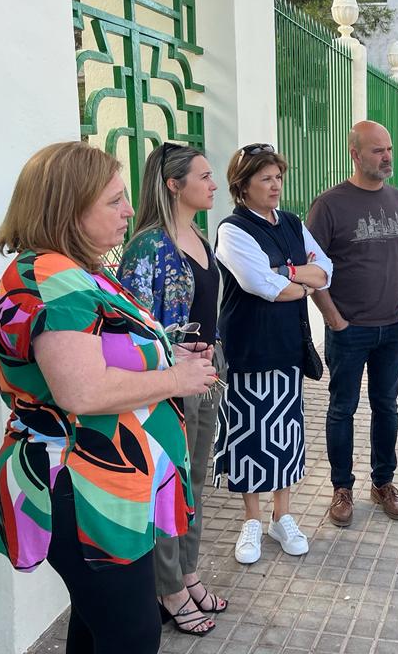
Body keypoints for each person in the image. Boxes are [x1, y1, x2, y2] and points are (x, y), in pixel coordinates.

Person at [0, 142, 217, 654]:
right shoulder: (53, 278)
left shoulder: (73, 269)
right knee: (131, 635)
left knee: (96, 628)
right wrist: (175, 379)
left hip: (105, 485)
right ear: (68, 208)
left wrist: (166, 354)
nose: (129, 210)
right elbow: (83, 390)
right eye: (114, 201)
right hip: (84, 486)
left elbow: (101, 352)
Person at [117, 143, 227, 636]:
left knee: (194, 479)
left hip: (205, 371)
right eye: (204, 176)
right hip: (168, 379)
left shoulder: (199, 237)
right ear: (173, 185)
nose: (213, 184)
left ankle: (187, 571)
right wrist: (171, 357)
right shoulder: (147, 246)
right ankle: (168, 588)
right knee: (166, 483)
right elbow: (131, 326)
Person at [212, 143, 332, 565]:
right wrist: (298, 282)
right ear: (242, 185)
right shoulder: (233, 229)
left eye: (278, 176)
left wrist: (288, 273)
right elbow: (260, 285)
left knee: (286, 432)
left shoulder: (293, 223)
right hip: (248, 346)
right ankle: (251, 520)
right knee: (248, 433)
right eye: (265, 178)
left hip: (288, 345)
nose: (275, 184)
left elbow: (326, 270)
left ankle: (283, 516)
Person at [306, 120, 398, 527]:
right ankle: (342, 488)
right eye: (377, 150)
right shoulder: (329, 205)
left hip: (394, 327)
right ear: (355, 154)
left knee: (386, 406)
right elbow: (311, 268)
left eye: (389, 149)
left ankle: (383, 483)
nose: (387, 157)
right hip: (348, 330)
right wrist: (334, 319)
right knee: (342, 408)